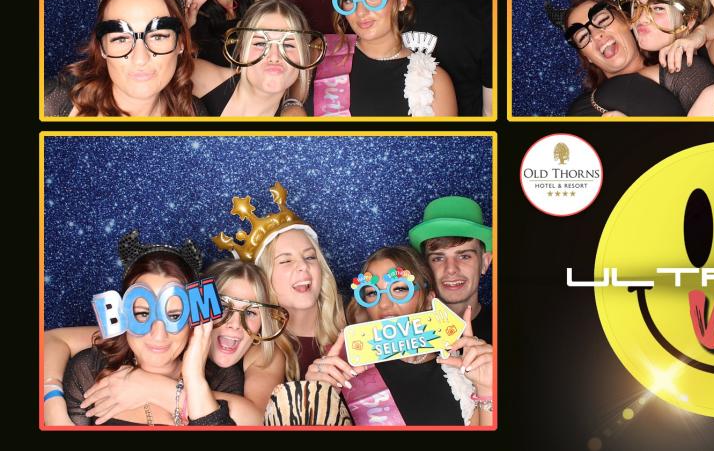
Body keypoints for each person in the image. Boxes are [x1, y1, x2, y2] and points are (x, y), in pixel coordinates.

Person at [43, 260, 289, 424]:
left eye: (173, 315)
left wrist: (156, 386)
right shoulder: (103, 354)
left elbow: (260, 419)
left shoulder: (251, 361)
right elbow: (52, 339)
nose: (235, 324)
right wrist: (51, 400)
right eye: (223, 308)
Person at [212, 182, 354, 425]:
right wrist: (309, 393)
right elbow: (259, 419)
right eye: (286, 261)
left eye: (310, 257)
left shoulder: (357, 314)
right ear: (262, 280)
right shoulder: (263, 350)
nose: (303, 266)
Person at [342, 246, 493, 425]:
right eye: (372, 292)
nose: (384, 304)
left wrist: (486, 388)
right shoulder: (350, 371)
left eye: (399, 289)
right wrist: (320, 391)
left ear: (429, 300)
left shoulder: (460, 369)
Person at [44, 0, 202, 117]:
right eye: (120, 39)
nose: (140, 59)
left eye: (158, 36)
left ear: (180, 43)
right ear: (102, 47)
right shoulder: (49, 103)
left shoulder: (195, 113)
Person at [324, 0, 457, 116]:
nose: (361, 12)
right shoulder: (322, 55)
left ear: (401, 1)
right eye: (349, 0)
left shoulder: (433, 82)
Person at [546, 0, 685, 116]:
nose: (596, 35)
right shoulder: (585, 111)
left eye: (602, 20)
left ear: (627, 20)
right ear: (587, 57)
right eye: (582, 37)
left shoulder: (683, 64)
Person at [192, 0, 325, 116]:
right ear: (242, 50)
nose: (274, 56)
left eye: (288, 45)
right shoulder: (201, 77)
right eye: (260, 43)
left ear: (303, 57)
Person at [619, 0, 714, 112]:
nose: (641, 18)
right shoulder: (660, 62)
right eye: (636, 6)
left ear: (690, 19)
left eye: (658, 8)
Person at [408, 196, 493, 343]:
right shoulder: (403, 335)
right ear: (424, 267)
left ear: (484, 263)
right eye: (438, 258)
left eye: (464, 256)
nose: (451, 269)